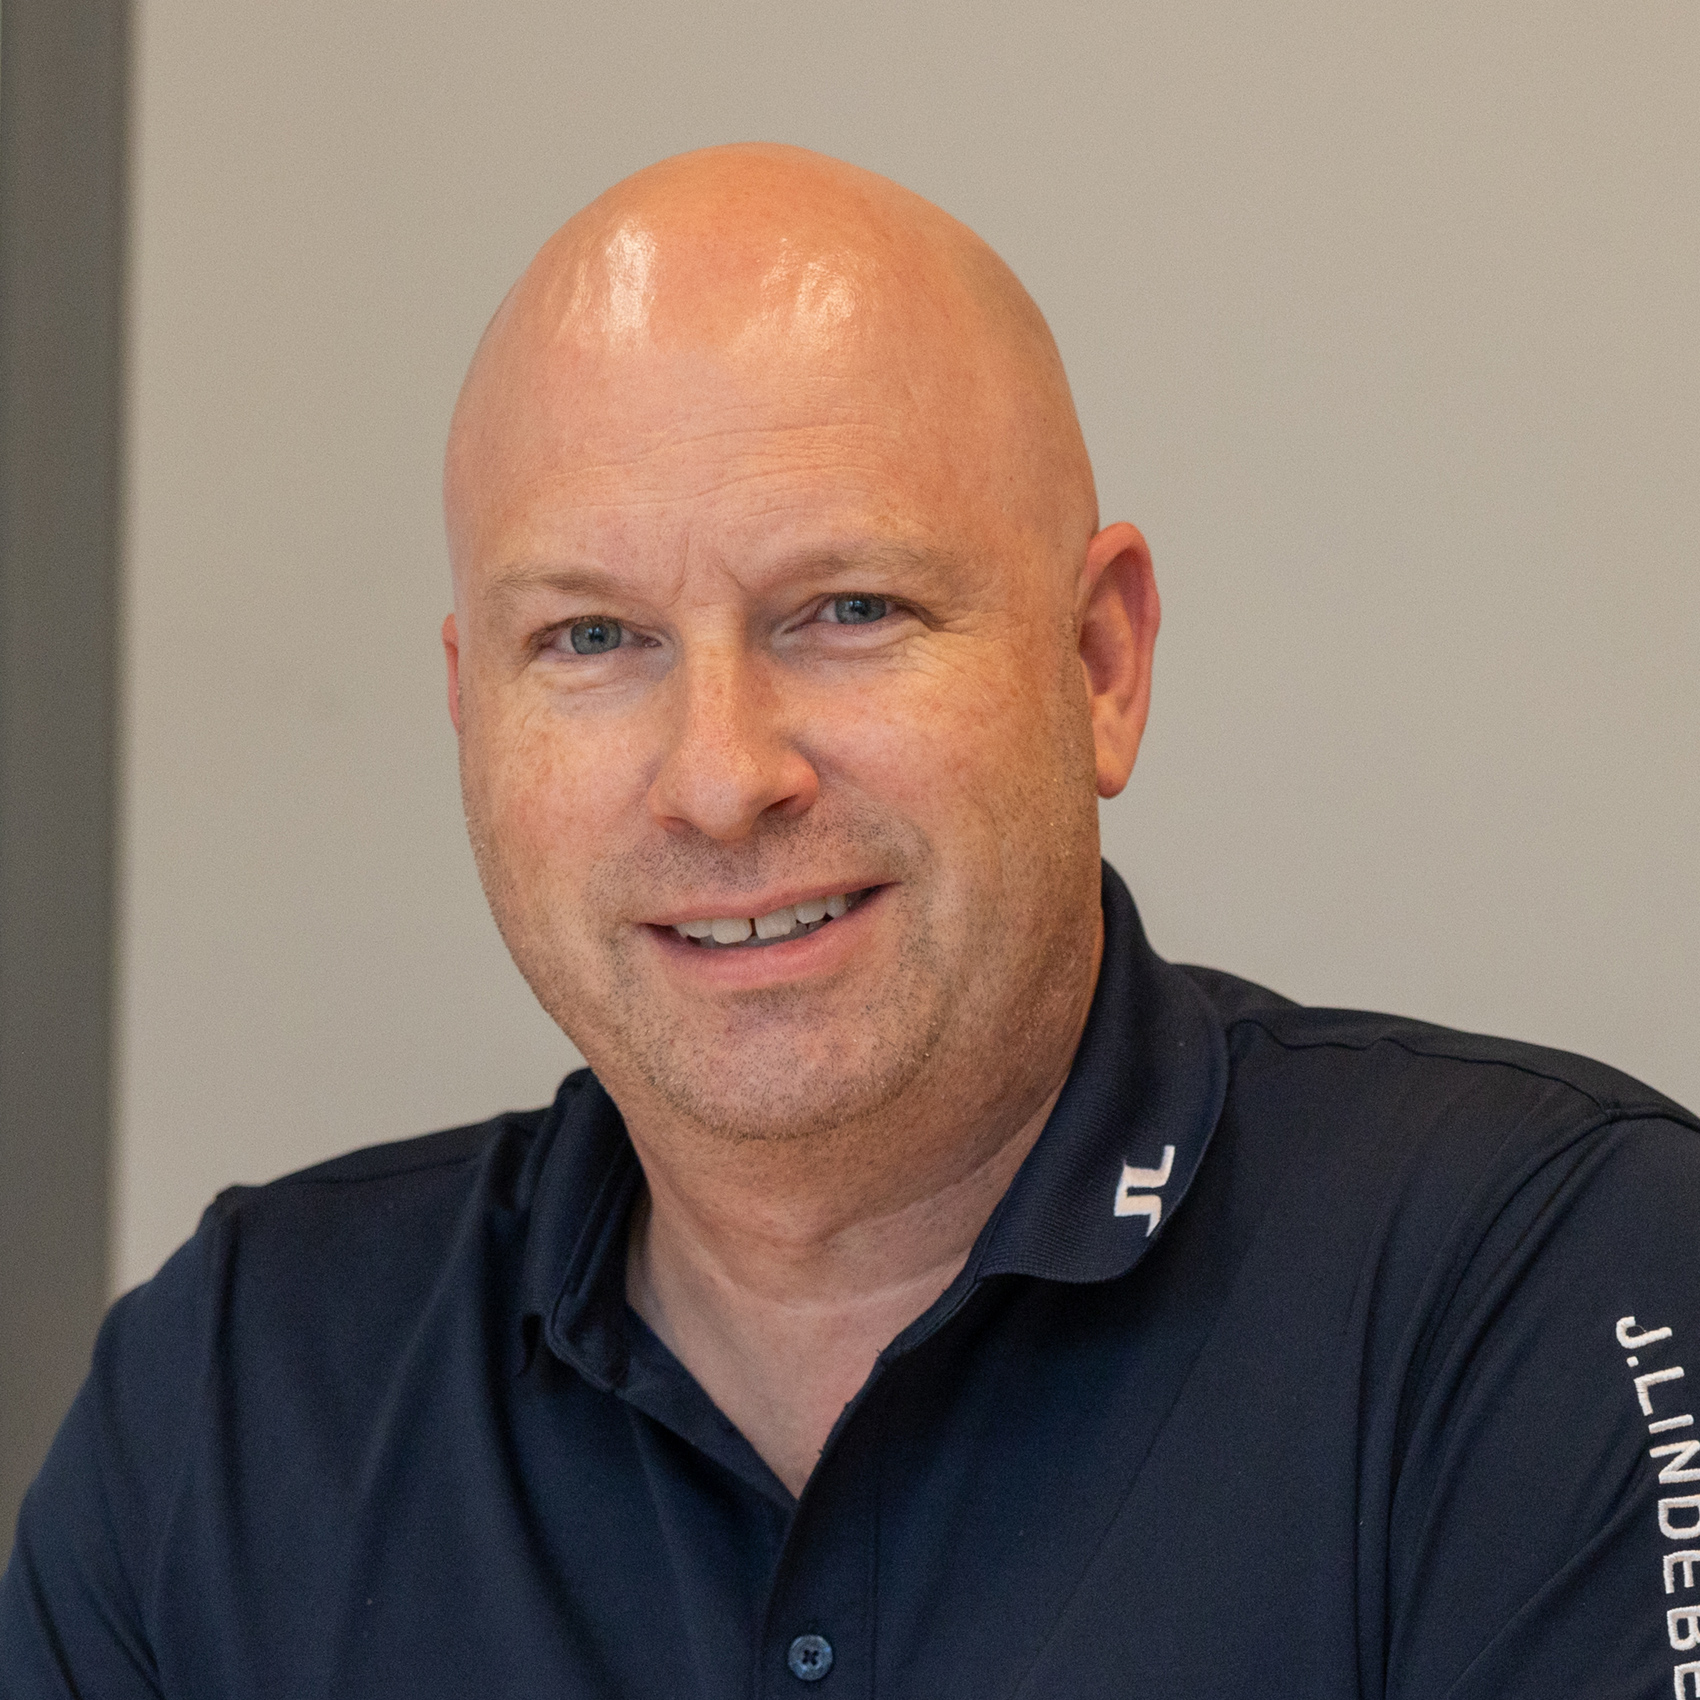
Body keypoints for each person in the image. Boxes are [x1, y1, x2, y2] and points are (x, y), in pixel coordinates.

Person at [3, 144, 1697, 1699]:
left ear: (1100, 665)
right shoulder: (238, 1396)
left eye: (848, 608)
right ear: (471, 712)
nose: (720, 779)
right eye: (591, 640)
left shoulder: (1539, 1287)